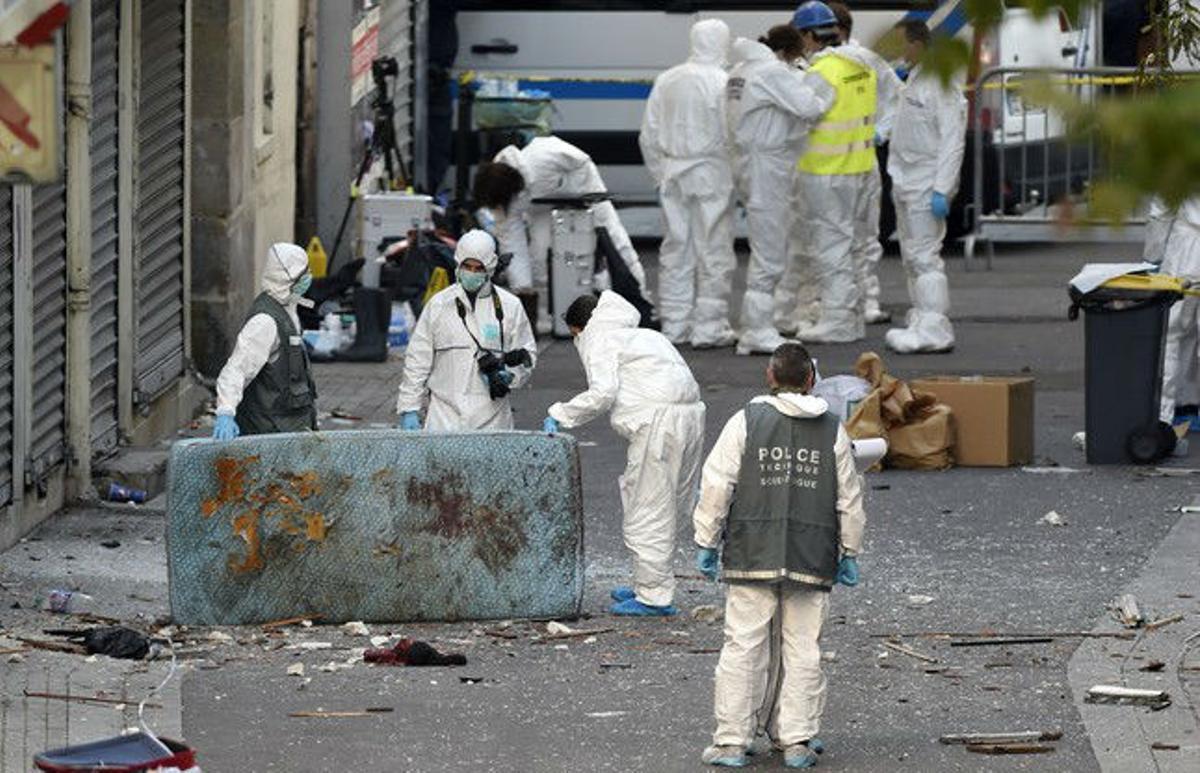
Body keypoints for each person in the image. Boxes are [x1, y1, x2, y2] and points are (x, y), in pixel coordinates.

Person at [692, 342, 864, 768]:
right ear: (811, 380)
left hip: (752, 549)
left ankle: (732, 740)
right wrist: (850, 550)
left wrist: (706, 540)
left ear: (770, 377)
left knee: (743, 645)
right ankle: (797, 739)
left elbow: (717, 484)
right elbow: (849, 497)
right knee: (803, 647)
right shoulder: (831, 429)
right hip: (811, 551)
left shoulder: (745, 421)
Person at [544, 291, 706, 616]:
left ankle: (653, 597)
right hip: (691, 416)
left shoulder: (598, 337)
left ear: (581, 328)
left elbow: (603, 393)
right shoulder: (646, 335)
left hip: (658, 424)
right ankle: (650, 581)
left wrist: (561, 414)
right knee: (671, 504)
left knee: (647, 506)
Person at [639, 19, 739, 347]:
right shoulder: (724, 82)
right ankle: (709, 327)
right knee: (714, 250)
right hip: (712, 171)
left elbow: (649, 134)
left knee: (675, 249)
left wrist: (661, 172)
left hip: (673, 172)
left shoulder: (667, 79)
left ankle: (675, 324)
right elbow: (733, 133)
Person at [727, 26, 826, 355]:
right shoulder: (771, 71)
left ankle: (756, 324)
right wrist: (817, 83)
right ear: (790, 51)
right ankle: (757, 329)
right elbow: (811, 107)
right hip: (768, 164)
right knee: (770, 250)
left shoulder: (740, 71)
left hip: (748, 161)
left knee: (763, 243)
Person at [790, 1, 881, 344]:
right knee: (849, 245)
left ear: (810, 35)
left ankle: (838, 320)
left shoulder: (823, 72)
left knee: (832, 248)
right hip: (857, 168)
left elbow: (803, 114)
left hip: (827, 172)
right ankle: (851, 317)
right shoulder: (861, 66)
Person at [473, 135, 648, 303]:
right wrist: (522, 288)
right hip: (541, 207)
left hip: (583, 191)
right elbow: (511, 242)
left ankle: (639, 296)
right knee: (540, 253)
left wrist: (578, 197)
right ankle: (547, 312)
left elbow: (582, 161)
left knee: (615, 241)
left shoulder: (543, 155)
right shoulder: (502, 199)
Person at [395, 230, 537, 430]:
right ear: (458, 264)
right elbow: (417, 360)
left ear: (490, 267)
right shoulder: (439, 305)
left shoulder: (510, 306)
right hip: (443, 418)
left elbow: (527, 354)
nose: (472, 272)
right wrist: (409, 408)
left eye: (478, 268)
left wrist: (511, 374)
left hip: (493, 421)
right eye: (467, 266)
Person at [884, 20, 967, 353]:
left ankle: (935, 328)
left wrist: (941, 189)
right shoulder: (914, 78)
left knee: (924, 257)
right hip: (906, 179)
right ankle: (921, 318)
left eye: (901, 43)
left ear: (917, 44)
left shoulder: (941, 84)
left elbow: (952, 140)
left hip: (926, 180)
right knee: (911, 257)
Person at [829, 1, 902, 326]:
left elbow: (894, 97)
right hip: (832, 163)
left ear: (840, 31)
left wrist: (880, 132)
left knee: (862, 235)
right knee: (834, 238)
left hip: (854, 161)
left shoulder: (865, 61)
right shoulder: (820, 62)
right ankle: (839, 302)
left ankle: (866, 300)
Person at [213, 243, 317, 440]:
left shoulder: (287, 305)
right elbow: (237, 369)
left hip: (292, 429)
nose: (309, 276)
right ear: (289, 278)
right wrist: (226, 411)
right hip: (269, 432)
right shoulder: (265, 322)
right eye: (305, 272)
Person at [1154, 197, 1200, 424]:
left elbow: (1161, 210)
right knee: (1189, 335)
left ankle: (1166, 413)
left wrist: (1151, 257)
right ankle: (1190, 404)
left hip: (1184, 254)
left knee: (1173, 334)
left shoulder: (1179, 161)